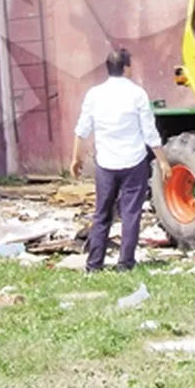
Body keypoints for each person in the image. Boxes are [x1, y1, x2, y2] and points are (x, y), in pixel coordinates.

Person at [71, 48, 171, 272]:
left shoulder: (94, 94)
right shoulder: (137, 94)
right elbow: (149, 132)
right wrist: (163, 161)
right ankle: (125, 263)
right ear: (127, 68)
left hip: (106, 164)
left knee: (102, 214)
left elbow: (82, 129)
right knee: (130, 214)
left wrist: (75, 159)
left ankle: (94, 264)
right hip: (134, 162)